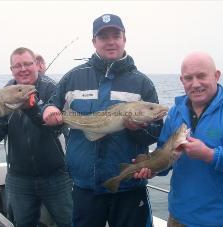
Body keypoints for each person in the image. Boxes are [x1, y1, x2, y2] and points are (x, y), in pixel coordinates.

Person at [42, 14, 163, 227]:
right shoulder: (73, 77)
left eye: (116, 35)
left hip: (129, 186)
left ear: (124, 38)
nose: (110, 41)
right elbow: (52, 103)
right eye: (103, 36)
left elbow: (155, 132)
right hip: (84, 187)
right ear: (94, 42)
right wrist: (49, 109)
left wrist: (137, 129)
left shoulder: (142, 83)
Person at [135, 51, 223, 227]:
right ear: (182, 81)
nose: (195, 84)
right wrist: (152, 169)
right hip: (177, 218)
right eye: (188, 78)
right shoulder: (175, 113)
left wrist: (210, 155)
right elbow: (164, 155)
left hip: (221, 222)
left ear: (216, 76)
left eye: (201, 76)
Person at [0, 47, 73, 227]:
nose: (23, 69)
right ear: (11, 69)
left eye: (28, 64)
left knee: (69, 222)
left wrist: (32, 110)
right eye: (17, 66)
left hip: (56, 175)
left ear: (36, 65)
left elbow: (57, 129)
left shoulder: (53, 89)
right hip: (19, 178)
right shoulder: (5, 92)